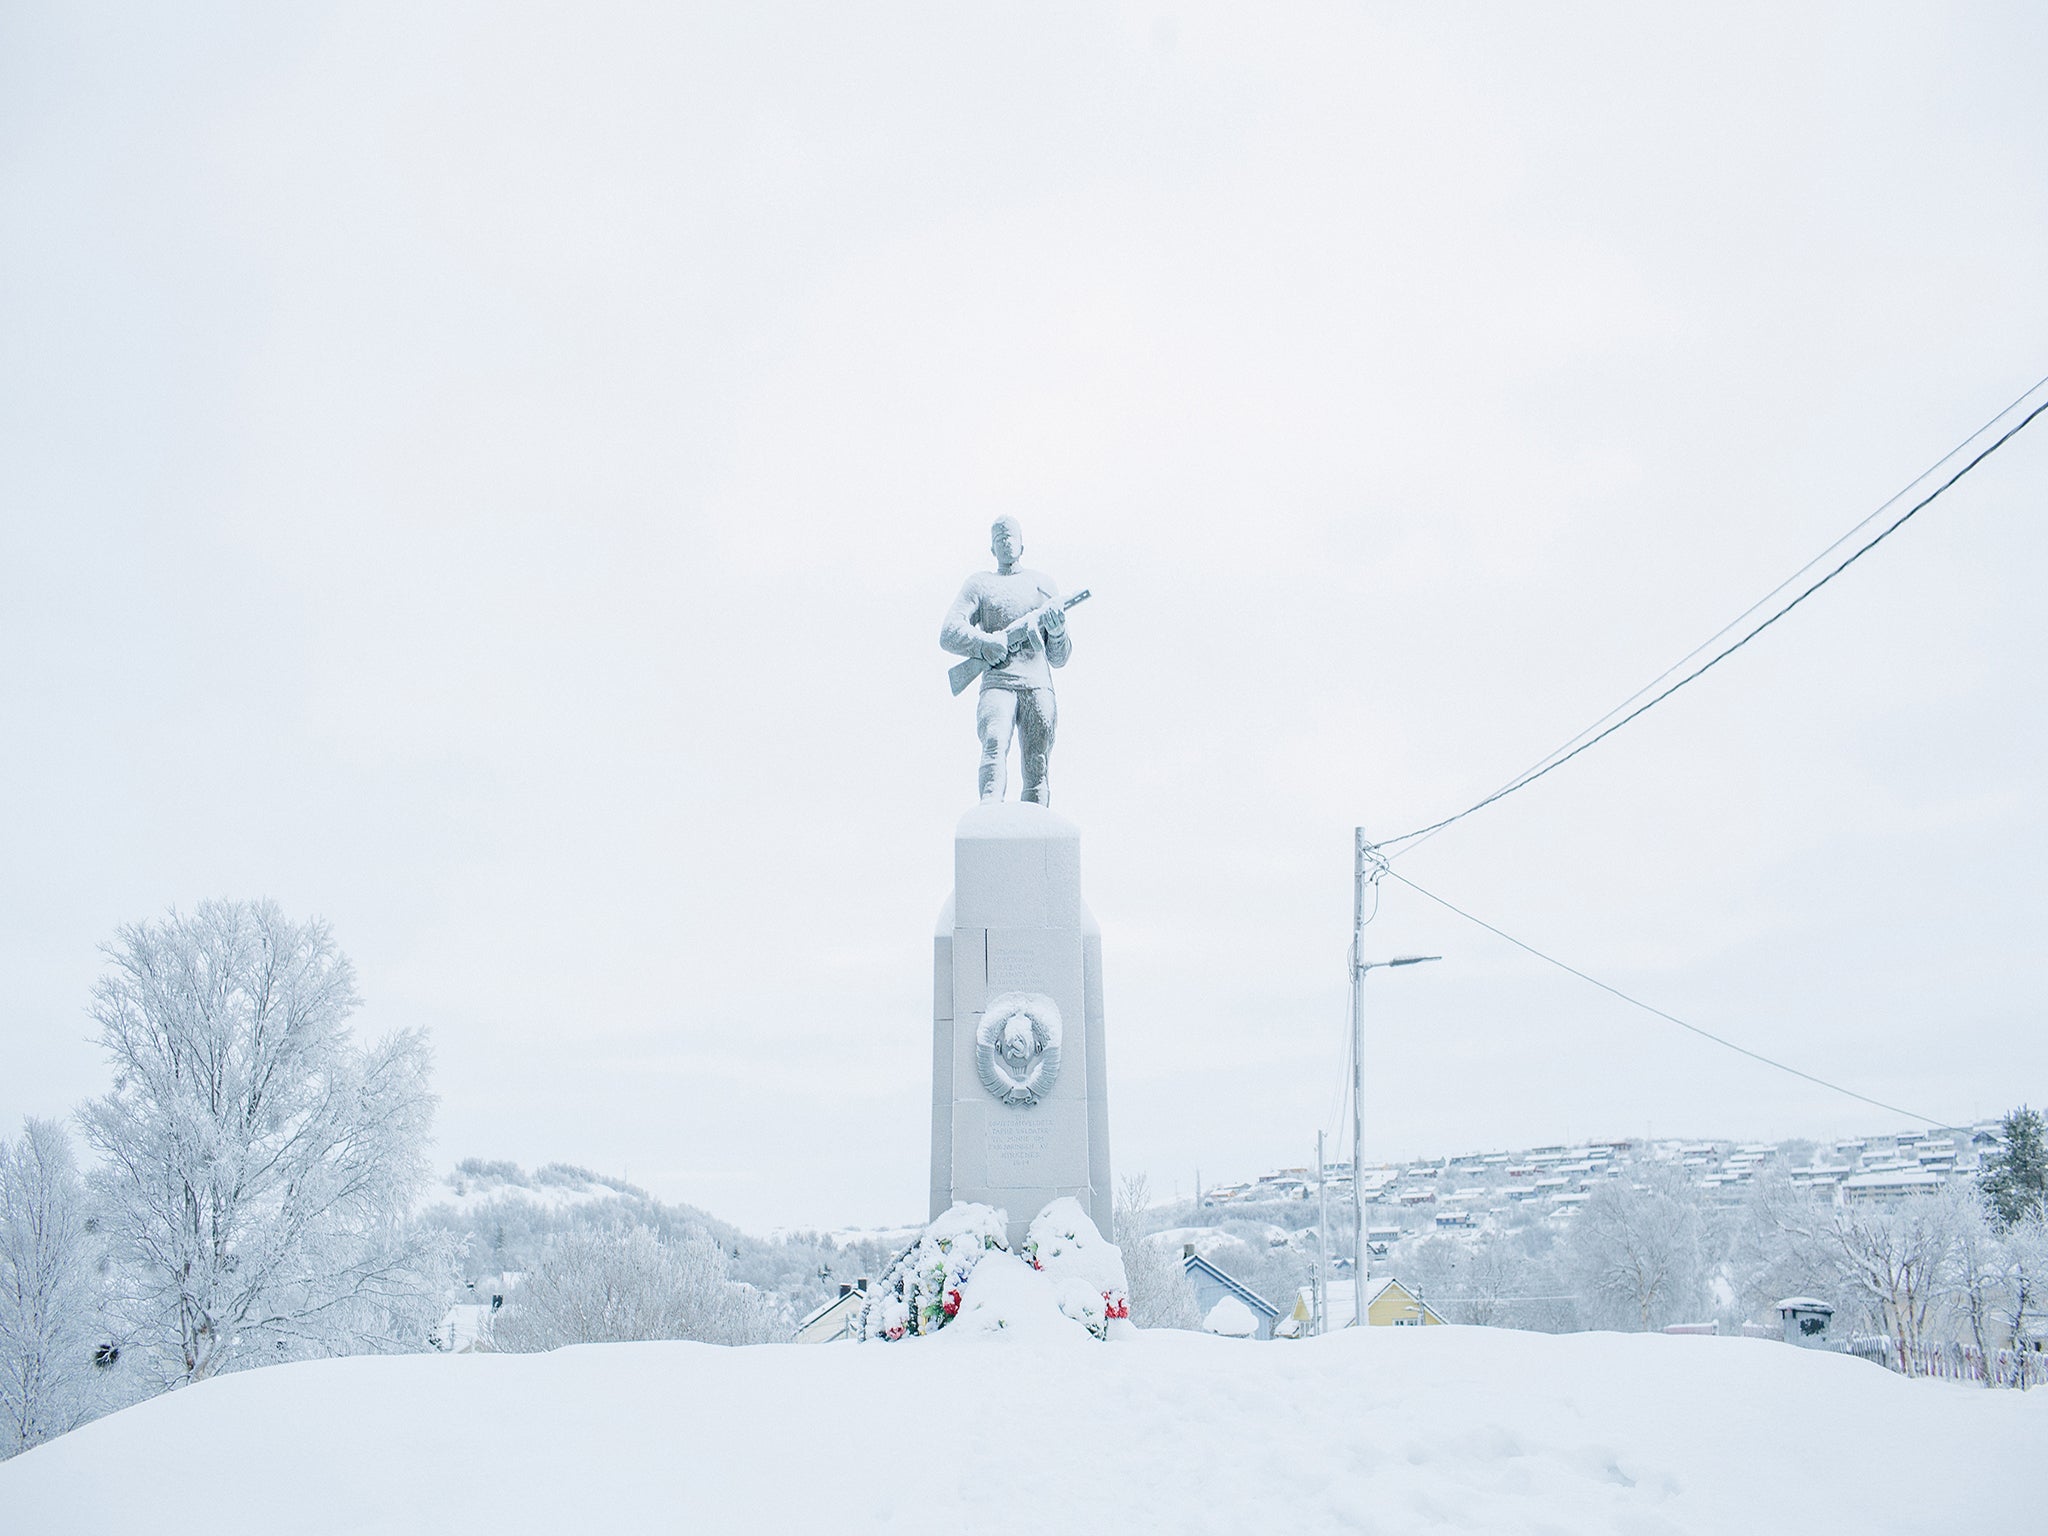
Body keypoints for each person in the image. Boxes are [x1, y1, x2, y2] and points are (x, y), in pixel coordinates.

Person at [939, 517, 1071, 804]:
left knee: (1038, 761)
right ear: (992, 548)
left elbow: (1059, 657)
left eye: (1011, 536)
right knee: (994, 743)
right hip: (997, 681)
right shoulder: (980, 583)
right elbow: (949, 632)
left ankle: (1036, 823)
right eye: (999, 538)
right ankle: (989, 813)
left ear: (1023, 544)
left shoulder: (1042, 584)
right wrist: (985, 643)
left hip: (1037, 684)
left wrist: (1058, 632)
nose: (1006, 541)